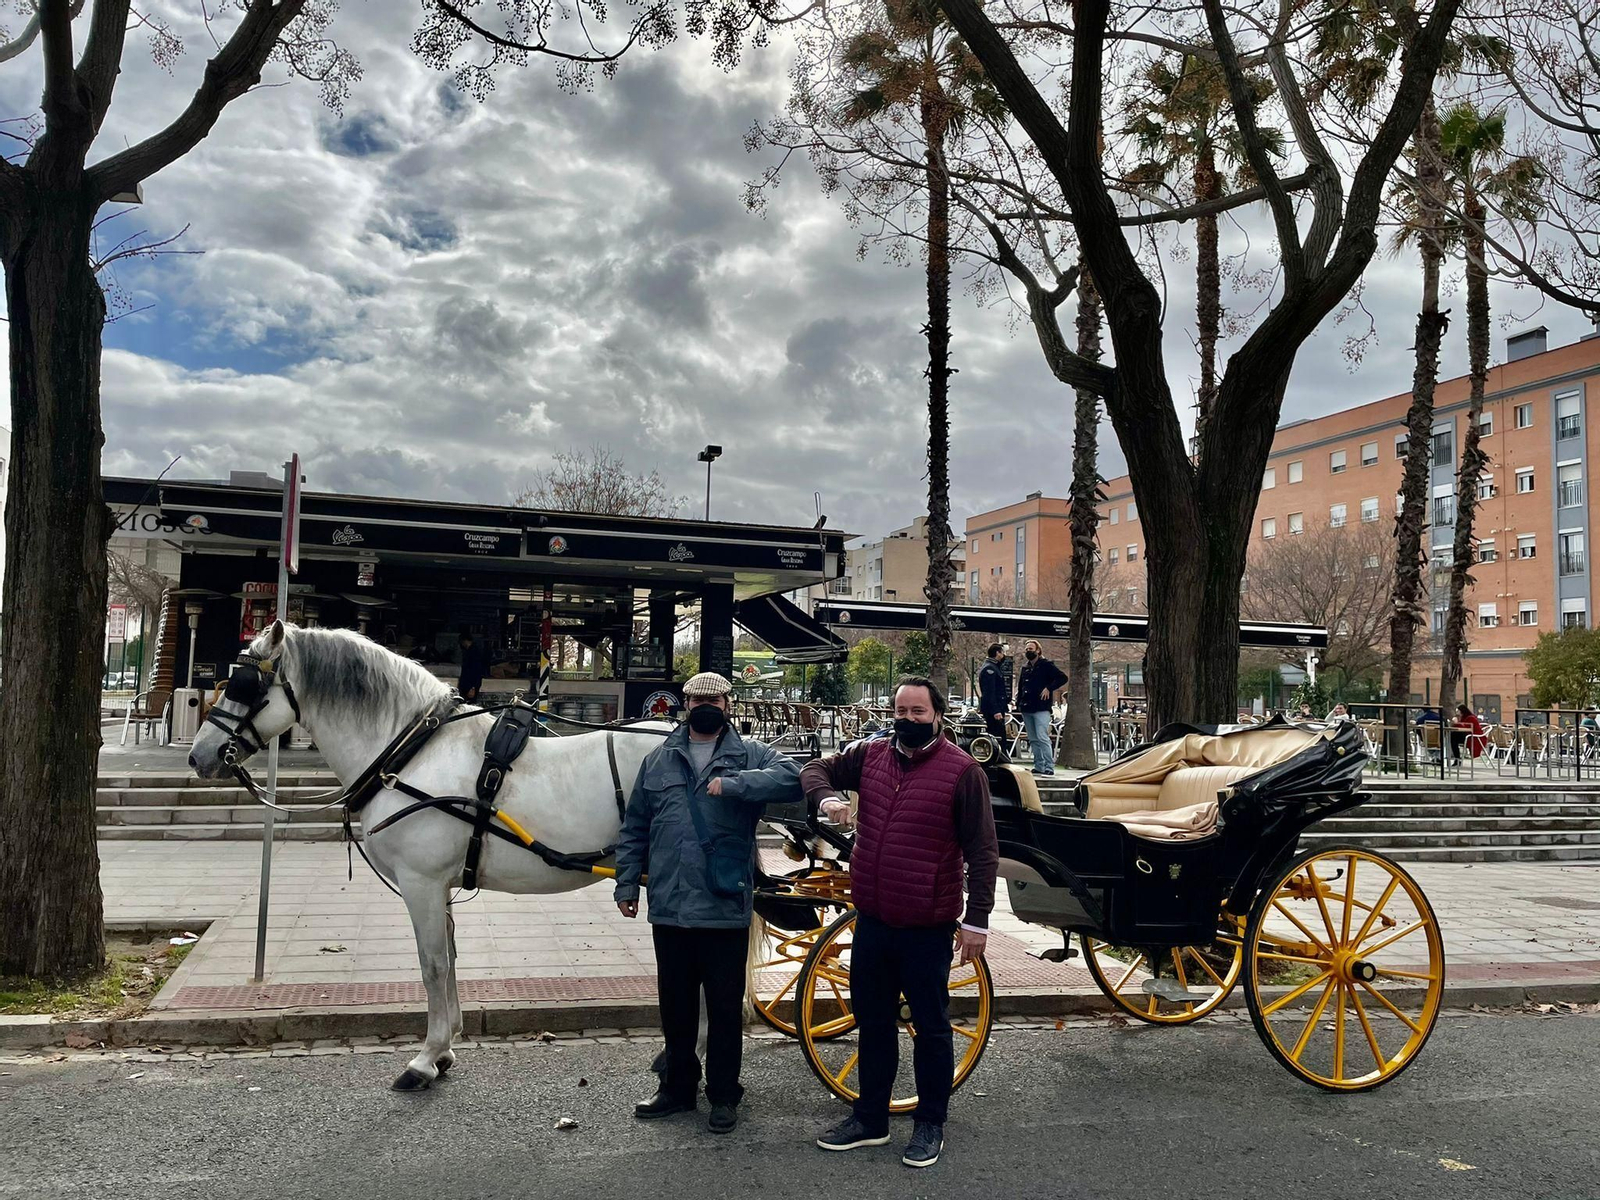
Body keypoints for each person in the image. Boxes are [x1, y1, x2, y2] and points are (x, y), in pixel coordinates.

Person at [803, 677, 999, 1170]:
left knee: (931, 1029)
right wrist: (827, 798)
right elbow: (814, 769)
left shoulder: (963, 772)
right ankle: (870, 1118)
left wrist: (977, 921)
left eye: (918, 712)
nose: (908, 719)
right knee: (873, 1024)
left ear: (937, 715)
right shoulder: (871, 755)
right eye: (901, 710)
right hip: (872, 919)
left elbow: (982, 851)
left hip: (927, 926)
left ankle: (930, 1123)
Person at [614, 671, 803, 1134]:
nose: (704, 705)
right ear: (685, 703)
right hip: (670, 906)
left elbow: (792, 779)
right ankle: (677, 1089)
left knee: (722, 1009)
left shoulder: (749, 754)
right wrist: (625, 885)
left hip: (723, 907)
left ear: (726, 703)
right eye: (696, 698)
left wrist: (737, 784)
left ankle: (723, 1094)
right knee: (675, 1007)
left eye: (713, 699)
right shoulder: (659, 760)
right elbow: (635, 826)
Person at [1015, 640, 1067, 776]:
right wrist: (1018, 703)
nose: (1028, 651)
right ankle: (1039, 765)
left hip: (1041, 707)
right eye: (1026, 649)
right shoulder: (1025, 667)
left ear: (1038, 650)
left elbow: (1062, 678)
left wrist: (1049, 688)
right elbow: (1021, 686)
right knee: (1033, 738)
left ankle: (1049, 766)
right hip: (1027, 707)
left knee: (1042, 736)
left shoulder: (1046, 665)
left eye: (1031, 649)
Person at [976, 643, 1010, 739]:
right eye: (1002, 653)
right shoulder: (990, 668)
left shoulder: (994, 667)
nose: (1004, 655)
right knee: (997, 736)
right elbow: (989, 692)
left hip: (998, 707)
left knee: (999, 735)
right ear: (997, 653)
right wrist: (995, 710)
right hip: (994, 710)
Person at [457, 631, 487, 702]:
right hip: (466, 683)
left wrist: (473, 687)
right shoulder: (468, 652)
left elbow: (477, 670)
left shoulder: (475, 653)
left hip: (470, 684)